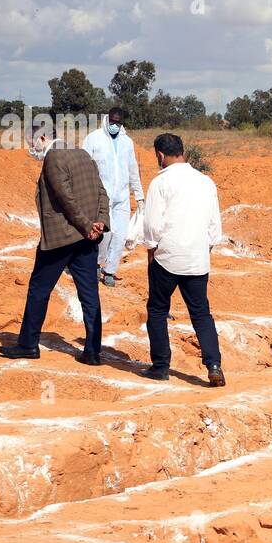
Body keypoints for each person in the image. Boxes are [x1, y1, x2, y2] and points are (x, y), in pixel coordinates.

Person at [0, 131, 109, 365]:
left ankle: (28, 344)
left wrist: (87, 225)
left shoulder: (54, 157)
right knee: (89, 295)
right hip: (87, 239)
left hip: (62, 237)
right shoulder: (82, 154)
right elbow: (101, 192)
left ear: (43, 137)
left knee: (39, 289)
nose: (31, 149)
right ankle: (92, 351)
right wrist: (100, 222)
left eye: (31, 142)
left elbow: (65, 198)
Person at [141, 133, 224, 386]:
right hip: (197, 259)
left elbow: (153, 223)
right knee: (201, 314)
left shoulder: (160, 183)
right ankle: (214, 364)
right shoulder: (205, 181)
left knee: (157, 310)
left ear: (160, 155)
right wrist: (204, 249)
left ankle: (161, 366)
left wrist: (151, 250)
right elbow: (214, 227)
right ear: (183, 151)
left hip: (168, 257)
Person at [82, 107, 143, 288]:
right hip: (101, 196)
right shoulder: (94, 138)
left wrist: (139, 195)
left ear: (122, 123)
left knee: (120, 235)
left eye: (118, 122)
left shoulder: (127, 142)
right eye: (112, 121)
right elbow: (83, 165)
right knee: (105, 233)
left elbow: (133, 169)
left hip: (122, 197)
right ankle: (96, 264)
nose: (115, 125)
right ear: (107, 119)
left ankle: (109, 270)